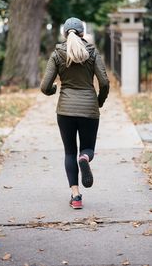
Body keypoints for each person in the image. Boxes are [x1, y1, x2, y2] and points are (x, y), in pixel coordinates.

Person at [40, 17, 109, 209]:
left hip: (65, 111)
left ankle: (76, 196)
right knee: (86, 149)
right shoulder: (92, 52)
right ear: (82, 33)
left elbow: (45, 86)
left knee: (69, 152)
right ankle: (84, 159)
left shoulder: (57, 54)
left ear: (64, 33)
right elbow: (104, 82)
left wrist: (54, 90)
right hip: (89, 109)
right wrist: (99, 102)